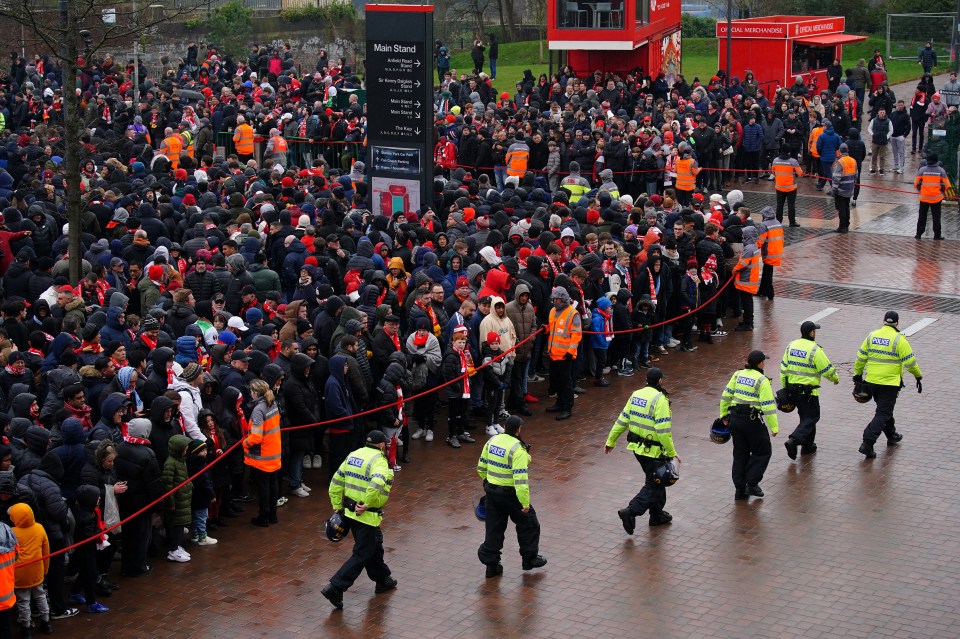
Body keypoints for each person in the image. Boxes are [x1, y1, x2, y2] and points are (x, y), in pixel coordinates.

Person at [321, 430, 396, 610]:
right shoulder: (379, 460)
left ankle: (382, 578)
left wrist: (337, 505)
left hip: (350, 513)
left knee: (374, 545)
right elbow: (377, 483)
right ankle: (336, 586)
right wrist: (367, 504)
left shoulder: (353, 455)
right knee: (363, 552)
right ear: (380, 445)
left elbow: (336, 481)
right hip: (366, 515)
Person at [605, 367, 680, 531]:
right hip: (653, 452)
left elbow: (622, 420)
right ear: (660, 380)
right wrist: (672, 452)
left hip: (638, 448)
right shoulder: (660, 400)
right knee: (654, 484)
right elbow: (663, 431)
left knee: (658, 480)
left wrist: (611, 440)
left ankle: (656, 515)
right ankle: (631, 511)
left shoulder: (636, 395)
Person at [476, 415, 545, 577]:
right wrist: (525, 503)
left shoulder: (492, 441)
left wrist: (489, 483)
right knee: (529, 524)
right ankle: (530, 559)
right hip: (511, 495)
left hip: (492, 493)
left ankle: (491, 565)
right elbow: (520, 480)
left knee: (494, 528)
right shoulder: (517, 449)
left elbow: (481, 468)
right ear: (518, 429)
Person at [854, 311, 923, 459]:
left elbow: (860, 358)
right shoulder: (899, 340)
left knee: (885, 410)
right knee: (883, 413)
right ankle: (868, 442)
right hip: (889, 384)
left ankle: (892, 435)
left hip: (871, 382)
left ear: (883, 321)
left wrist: (858, 374)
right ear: (897, 323)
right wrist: (918, 375)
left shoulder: (872, 336)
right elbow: (910, 363)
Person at [719, 350, 779, 500]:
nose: (765, 363)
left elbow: (726, 395)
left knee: (740, 454)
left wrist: (724, 415)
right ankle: (751, 483)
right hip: (751, 421)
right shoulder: (761, 380)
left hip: (735, 420)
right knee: (763, 451)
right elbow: (768, 405)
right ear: (760, 363)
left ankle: (740, 490)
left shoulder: (738, 374)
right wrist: (774, 427)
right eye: (764, 361)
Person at [780, 321, 840, 460]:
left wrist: (785, 388)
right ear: (812, 333)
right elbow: (827, 369)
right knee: (812, 417)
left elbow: (783, 369)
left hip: (793, 390)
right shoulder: (815, 349)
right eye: (815, 331)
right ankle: (794, 440)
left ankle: (808, 446)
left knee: (805, 418)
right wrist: (835, 378)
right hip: (808, 392)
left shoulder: (791, 346)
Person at [245, 379, 282, 527]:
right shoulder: (272, 403)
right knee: (273, 485)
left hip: (263, 455)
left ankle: (264, 516)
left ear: (255, 393)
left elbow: (256, 436)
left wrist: (244, 443)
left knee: (264, 488)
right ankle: (273, 515)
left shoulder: (258, 410)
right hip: (274, 452)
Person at [10, 503, 52, 633]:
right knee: (40, 596)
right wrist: (45, 569)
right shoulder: (39, 528)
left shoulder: (12, 532)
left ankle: (26, 627)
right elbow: (46, 551)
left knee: (23, 601)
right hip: (37, 569)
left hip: (19, 573)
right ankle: (46, 622)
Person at [544, 286, 581, 420]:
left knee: (566, 382)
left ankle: (567, 407)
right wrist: (546, 329)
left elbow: (576, 334)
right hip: (554, 353)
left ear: (564, 299)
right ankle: (559, 403)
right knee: (557, 380)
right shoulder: (553, 311)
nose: (555, 302)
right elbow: (554, 328)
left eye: (558, 299)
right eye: (554, 299)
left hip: (565, 355)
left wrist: (571, 351)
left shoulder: (572, 313)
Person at [732, 225, 760, 331]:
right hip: (750, 279)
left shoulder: (748, 248)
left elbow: (743, 263)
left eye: (744, 235)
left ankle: (748, 323)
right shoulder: (754, 246)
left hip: (746, 280)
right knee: (748, 302)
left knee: (746, 303)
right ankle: (748, 321)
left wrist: (735, 269)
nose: (743, 237)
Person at [914, 153, 948, 240]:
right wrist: (941, 192)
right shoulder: (941, 171)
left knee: (922, 216)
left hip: (924, 197)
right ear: (936, 161)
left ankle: (918, 234)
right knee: (936, 217)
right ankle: (937, 235)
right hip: (936, 198)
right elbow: (945, 185)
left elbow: (916, 183)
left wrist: (921, 190)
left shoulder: (922, 170)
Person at [771, 144, 803, 226]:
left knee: (779, 205)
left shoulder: (775, 161)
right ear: (789, 152)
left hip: (779, 187)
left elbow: (773, 172)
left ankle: (778, 221)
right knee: (791, 205)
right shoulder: (793, 161)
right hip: (791, 188)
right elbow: (800, 173)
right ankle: (792, 222)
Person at [756, 206, 783, 302]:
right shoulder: (778, 223)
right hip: (777, 251)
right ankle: (762, 291)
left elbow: (760, 241)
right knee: (767, 271)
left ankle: (770, 293)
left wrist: (754, 248)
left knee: (767, 274)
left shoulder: (764, 225)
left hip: (769, 252)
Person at [832, 143, 857, 233]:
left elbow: (836, 177)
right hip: (849, 188)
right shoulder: (853, 161)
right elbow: (856, 175)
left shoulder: (840, 162)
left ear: (839, 151)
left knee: (841, 208)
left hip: (841, 189)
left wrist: (833, 189)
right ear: (848, 150)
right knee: (847, 207)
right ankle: (846, 224)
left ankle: (842, 226)